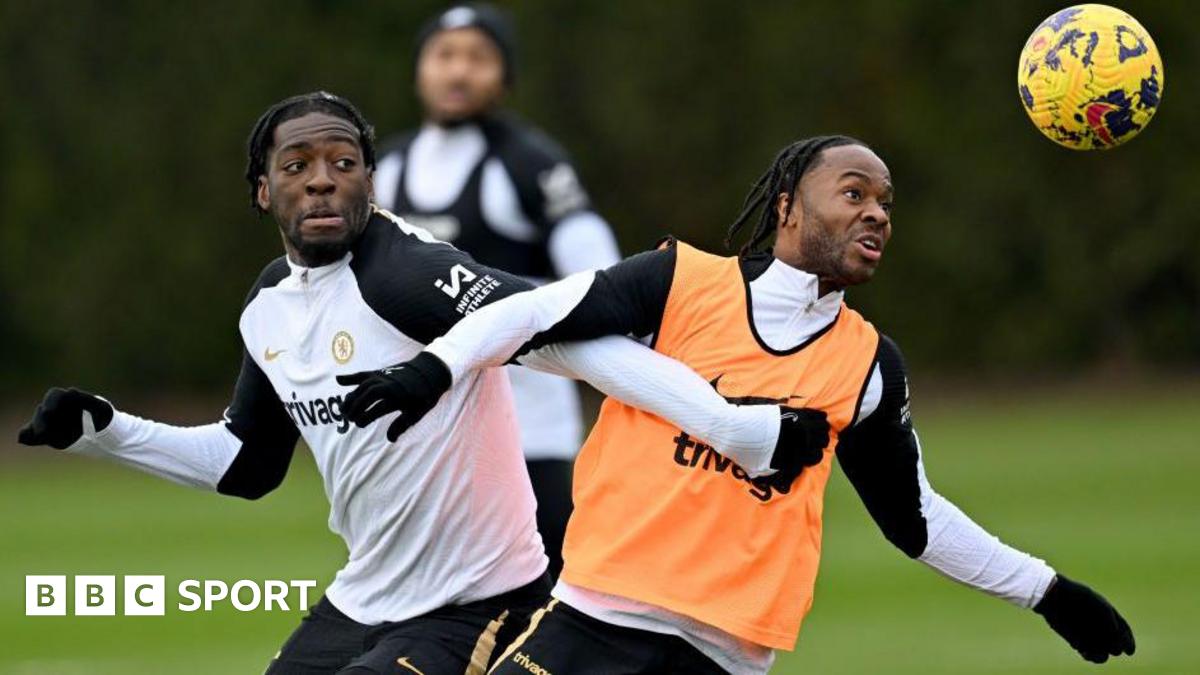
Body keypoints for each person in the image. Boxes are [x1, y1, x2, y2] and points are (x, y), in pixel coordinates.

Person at [14, 91, 812, 675]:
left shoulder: (405, 273)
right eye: (297, 166)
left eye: (343, 163)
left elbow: (555, 331)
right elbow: (245, 464)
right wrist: (107, 430)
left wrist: (729, 425)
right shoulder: (267, 307)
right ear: (264, 191)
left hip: (481, 601)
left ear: (371, 181)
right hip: (363, 599)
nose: (322, 180)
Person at [348, 136, 1137, 673]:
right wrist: (435, 369)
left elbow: (916, 520)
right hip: (590, 626)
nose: (877, 213)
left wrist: (1048, 592)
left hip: (724, 657)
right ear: (789, 204)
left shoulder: (867, 365)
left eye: (887, 203)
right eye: (854, 192)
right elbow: (532, 315)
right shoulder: (678, 283)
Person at [373, 3, 622, 580]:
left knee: (547, 605)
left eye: (478, 58)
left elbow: (600, 276)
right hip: (423, 436)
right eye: (445, 55)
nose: (459, 72)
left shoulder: (531, 165)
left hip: (529, 438)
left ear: (504, 77)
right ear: (420, 69)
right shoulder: (385, 168)